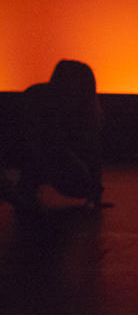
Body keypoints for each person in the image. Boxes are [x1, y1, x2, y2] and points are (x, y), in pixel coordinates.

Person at [2, 60, 106, 212]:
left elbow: (92, 147)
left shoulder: (41, 97)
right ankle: (25, 186)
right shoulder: (41, 101)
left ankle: (26, 187)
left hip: (30, 150)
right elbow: (31, 140)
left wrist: (94, 190)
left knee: (77, 180)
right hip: (22, 148)